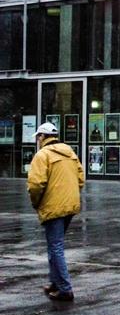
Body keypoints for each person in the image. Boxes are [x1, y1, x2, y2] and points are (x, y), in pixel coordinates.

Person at [26, 122, 85, 302]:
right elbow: (80, 178)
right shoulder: (70, 152)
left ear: (43, 137)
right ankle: (54, 282)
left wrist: (36, 203)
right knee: (54, 245)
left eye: (38, 136)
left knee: (56, 247)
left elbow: (36, 185)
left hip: (53, 207)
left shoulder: (42, 155)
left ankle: (65, 289)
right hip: (70, 206)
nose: (37, 140)